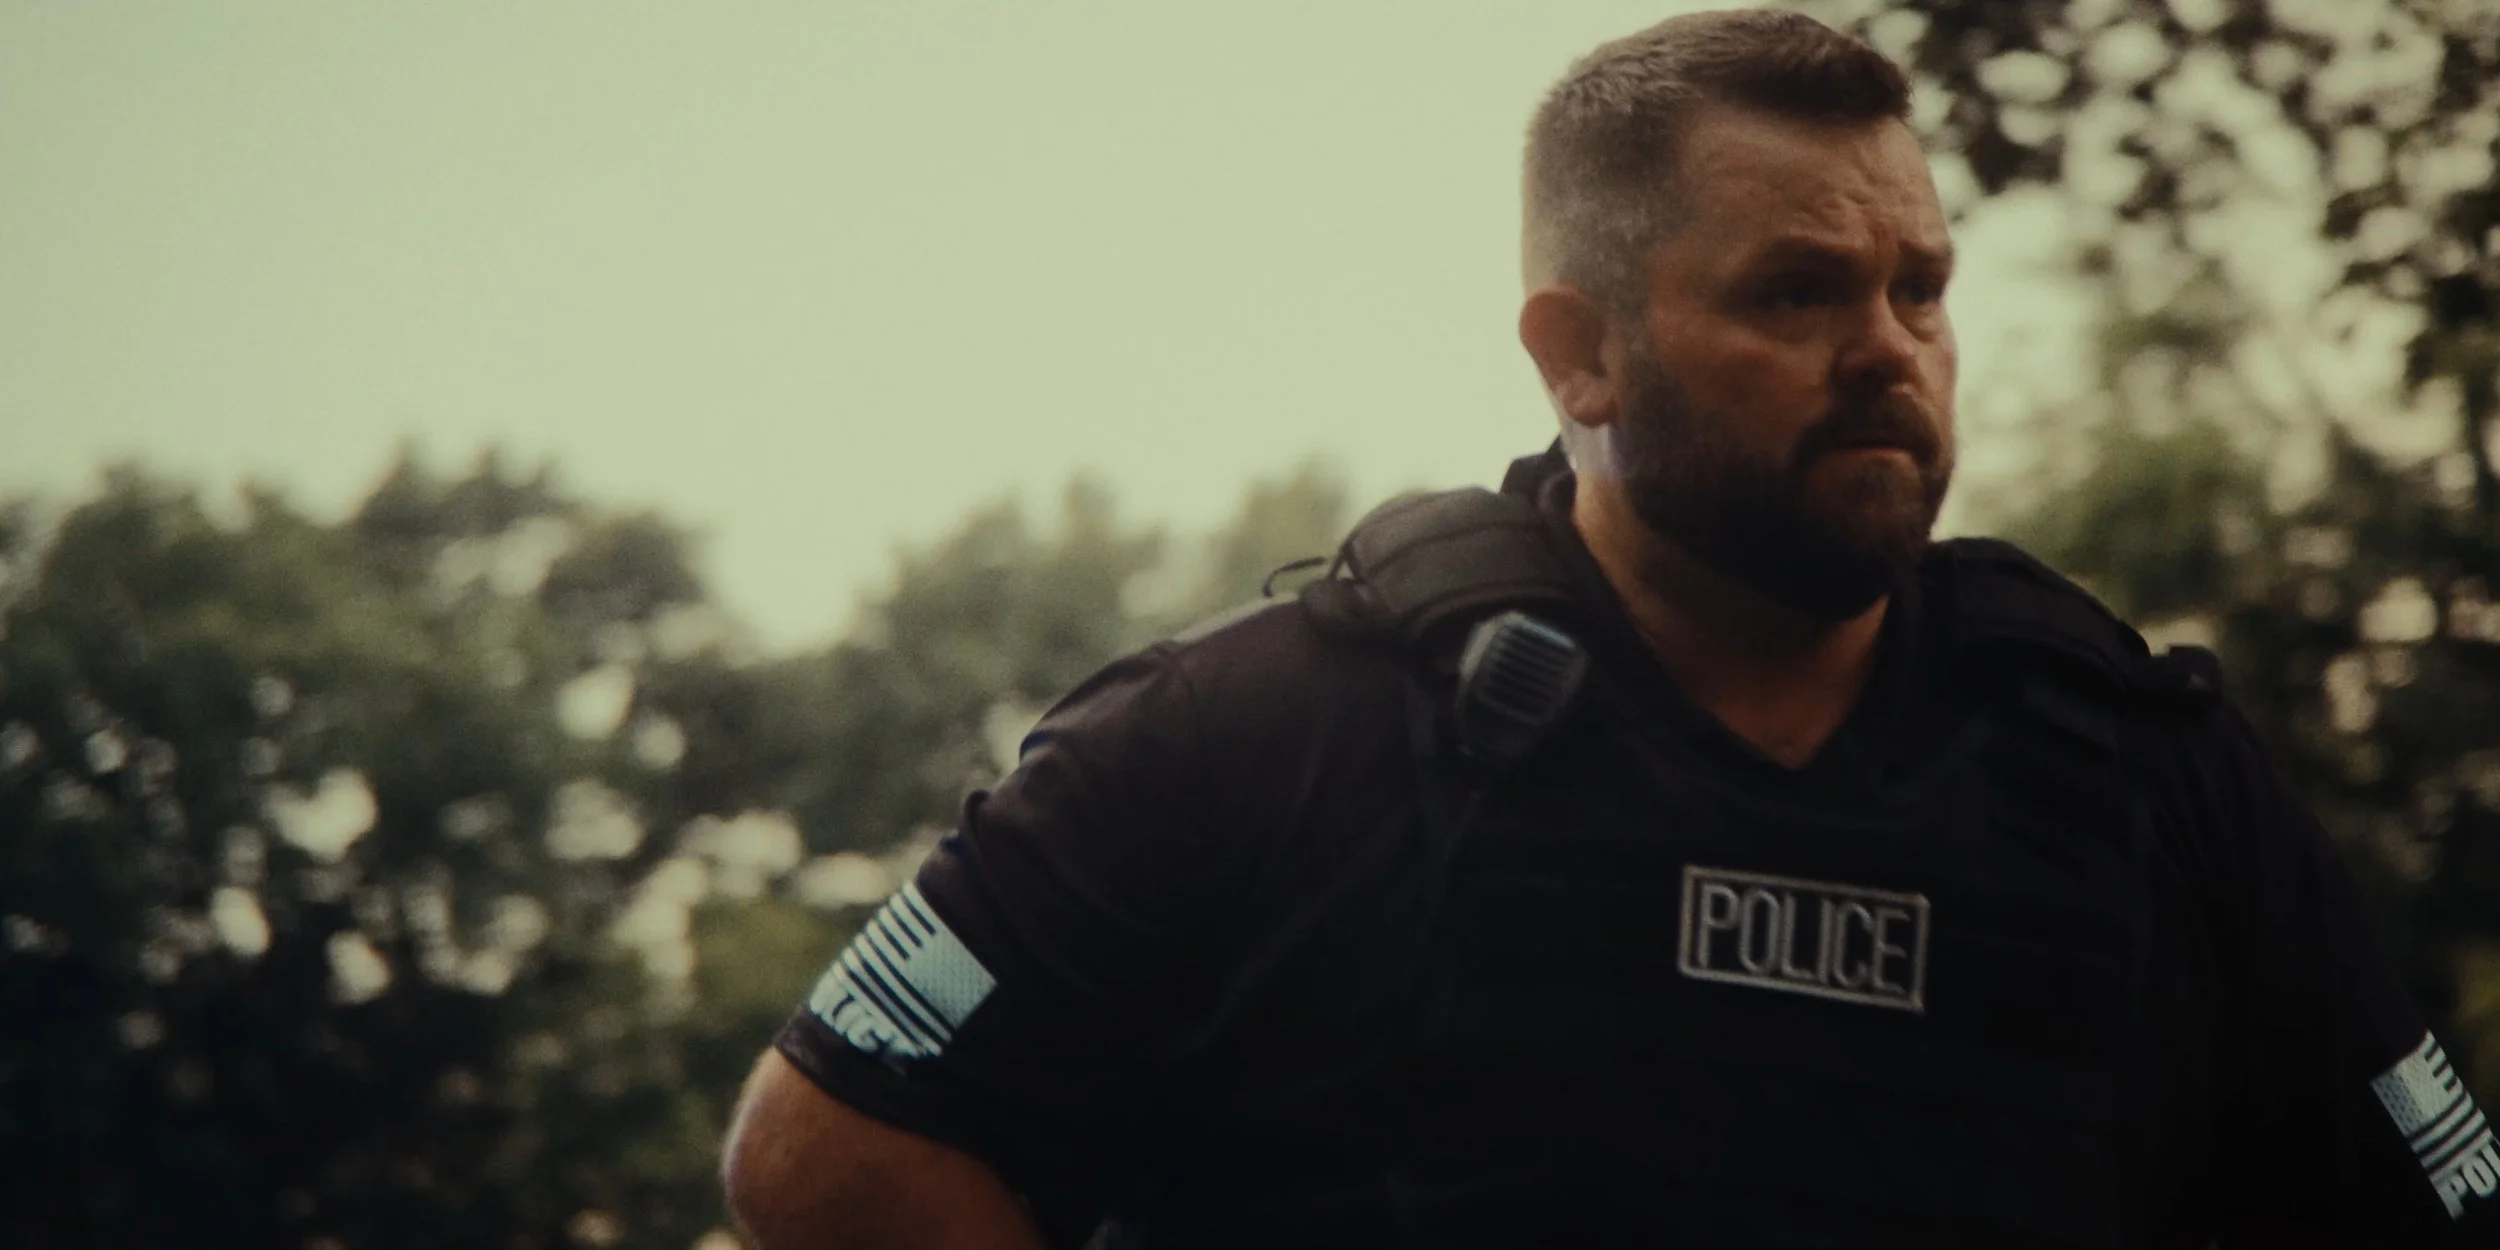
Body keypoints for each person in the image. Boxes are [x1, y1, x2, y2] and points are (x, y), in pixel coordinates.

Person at [719, 10, 2500, 1247]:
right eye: (1796, 291)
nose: (1888, 349)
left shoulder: (2149, 774)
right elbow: (826, 1144)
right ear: (1579, 355)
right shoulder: (1266, 731)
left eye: (1921, 289)